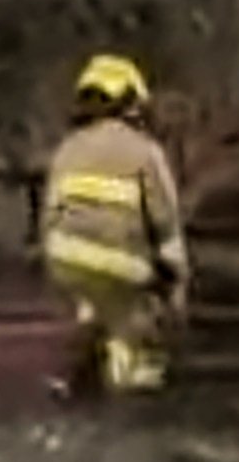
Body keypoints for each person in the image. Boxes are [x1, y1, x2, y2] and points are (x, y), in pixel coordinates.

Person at [40, 53, 189, 396]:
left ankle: (85, 342)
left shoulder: (67, 149)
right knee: (137, 318)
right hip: (120, 265)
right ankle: (134, 381)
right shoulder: (145, 152)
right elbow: (165, 224)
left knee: (96, 302)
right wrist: (176, 285)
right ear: (132, 104)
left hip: (65, 259)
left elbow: (49, 216)